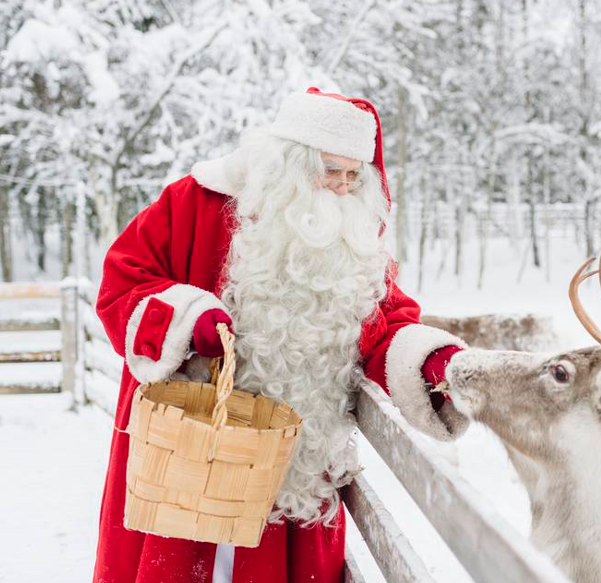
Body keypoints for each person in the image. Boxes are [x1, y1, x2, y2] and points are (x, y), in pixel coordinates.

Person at [93, 88, 468, 583]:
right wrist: (187, 318)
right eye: (330, 170)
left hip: (290, 468)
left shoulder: (354, 238)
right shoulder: (198, 201)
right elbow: (124, 279)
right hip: (187, 453)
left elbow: (387, 321)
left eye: (354, 175)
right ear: (289, 163)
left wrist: (434, 365)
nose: (342, 186)